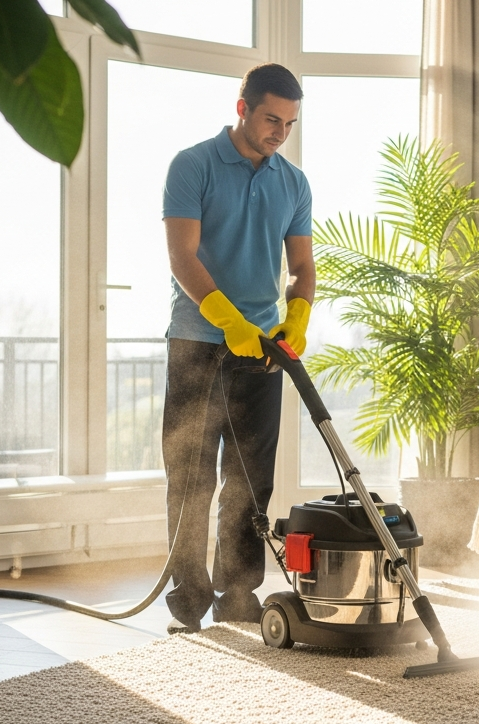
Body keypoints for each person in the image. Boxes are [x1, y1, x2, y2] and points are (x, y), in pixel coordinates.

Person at [158, 63, 315, 634]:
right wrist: (226, 318)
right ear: (243, 107)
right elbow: (184, 257)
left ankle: (239, 591)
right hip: (199, 341)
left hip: (263, 348)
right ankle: (190, 593)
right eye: (272, 118)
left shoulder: (292, 182)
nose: (279, 131)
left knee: (251, 476)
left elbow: (301, 266)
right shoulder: (193, 165)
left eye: (290, 123)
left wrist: (296, 315)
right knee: (191, 471)